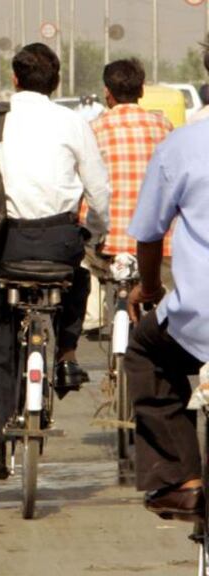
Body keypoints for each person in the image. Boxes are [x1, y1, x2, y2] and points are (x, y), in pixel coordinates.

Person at [0, 43, 111, 480]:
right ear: (56, 82)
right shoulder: (73, 122)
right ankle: (65, 352)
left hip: (6, 246)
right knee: (78, 278)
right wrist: (96, 232)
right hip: (60, 240)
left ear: (16, 79)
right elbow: (98, 192)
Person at [124, 109, 209, 520]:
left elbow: (150, 234)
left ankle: (182, 481)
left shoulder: (182, 145)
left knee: (144, 349)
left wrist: (152, 289)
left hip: (200, 320)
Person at [84, 59, 173, 333]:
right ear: (142, 90)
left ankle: (92, 318)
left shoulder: (93, 129)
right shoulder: (164, 127)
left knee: (80, 259)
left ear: (107, 93)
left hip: (109, 242)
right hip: (159, 242)